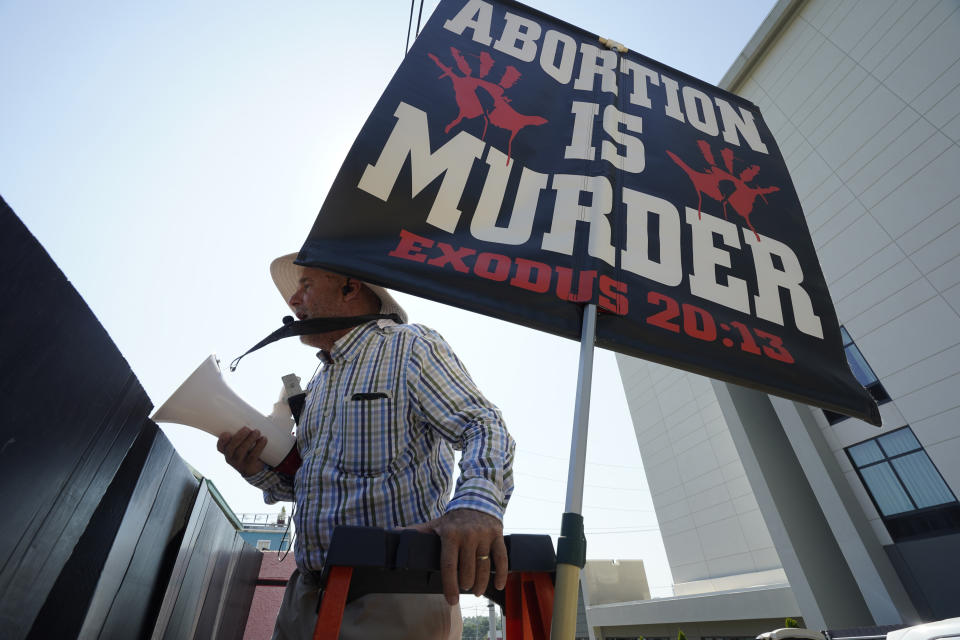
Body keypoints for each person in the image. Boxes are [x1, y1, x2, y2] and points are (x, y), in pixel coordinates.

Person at [217, 253, 515, 639]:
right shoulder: (319, 383)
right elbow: (309, 486)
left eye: (305, 286)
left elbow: (482, 424)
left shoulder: (409, 346)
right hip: (306, 596)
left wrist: (476, 506)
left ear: (350, 287)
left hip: (394, 594)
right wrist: (255, 470)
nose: (293, 302)